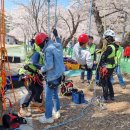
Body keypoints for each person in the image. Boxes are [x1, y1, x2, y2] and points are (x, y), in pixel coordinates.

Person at [35, 29, 65, 124]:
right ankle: (56, 111)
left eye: (40, 45)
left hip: (52, 77)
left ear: (43, 42)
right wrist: (56, 36)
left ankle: (48, 117)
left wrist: (42, 69)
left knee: (48, 97)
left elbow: (49, 65)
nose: (40, 47)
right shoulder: (56, 45)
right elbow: (59, 43)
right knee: (55, 94)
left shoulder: (48, 49)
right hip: (59, 75)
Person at [18, 42, 44, 117]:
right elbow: (34, 63)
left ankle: (34, 101)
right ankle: (23, 108)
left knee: (39, 88)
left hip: (32, 73)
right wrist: (44, 68)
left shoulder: (37, 53)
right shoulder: (36, 54)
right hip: (27, 74)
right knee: (31, 91)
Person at [99, 30, 118, 102]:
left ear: (108, 38)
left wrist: (100, 65)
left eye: (105, 39)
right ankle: (112, 96)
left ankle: (105, 98)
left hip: (106, 67)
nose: (104, 41)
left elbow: (103, 57)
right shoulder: (114, 46)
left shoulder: (109, 47)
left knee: (104, 82)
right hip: (111, 67)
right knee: (109, 81)